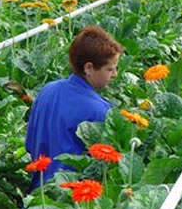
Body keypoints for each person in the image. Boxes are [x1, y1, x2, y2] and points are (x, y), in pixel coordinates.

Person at [25, 25, 124, 192]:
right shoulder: (102, 111)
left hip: (37, 192)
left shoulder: (47, 90)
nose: (115, 74)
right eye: (110, 69)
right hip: (73, 199)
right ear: (89, 68)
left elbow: (30, 143)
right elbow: (104, 169)